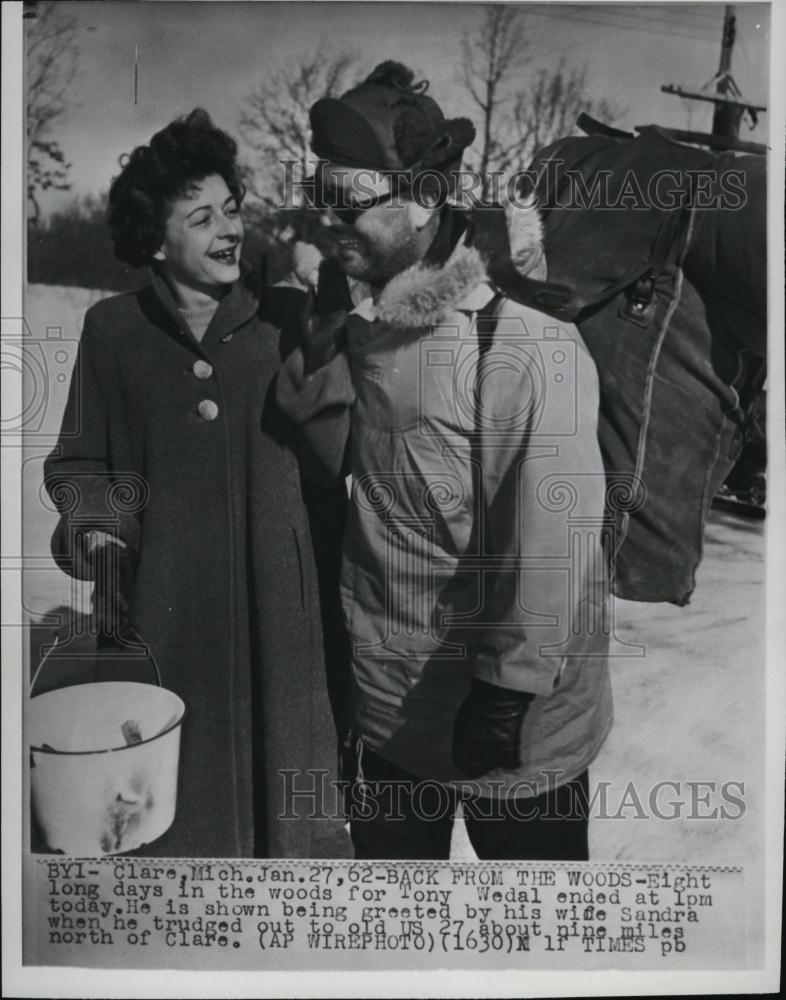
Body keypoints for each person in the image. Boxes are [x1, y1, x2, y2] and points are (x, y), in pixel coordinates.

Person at [277, 62, 612, 860]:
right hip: (389, 710)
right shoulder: (367, 318)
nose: (327, 220)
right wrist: (318, 342)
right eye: (319, 196)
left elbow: (556, 533)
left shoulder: (522, 339)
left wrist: (507, 691)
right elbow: (325, 459)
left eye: (348, 203)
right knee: (395, 929)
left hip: (510, 726)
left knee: (531, 931)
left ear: (425, 197)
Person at [43, 109, 347, 858]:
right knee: (170, 834)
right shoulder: (113, 331)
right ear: (156, 240)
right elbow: (79, 465)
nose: (229, 229)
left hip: (280, 621)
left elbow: (336, 457)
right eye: (201, 216)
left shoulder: (285, 318)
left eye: (232, 209)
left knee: (285, 836)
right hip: (160, 614)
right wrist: (100, 533)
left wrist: (323, 339)